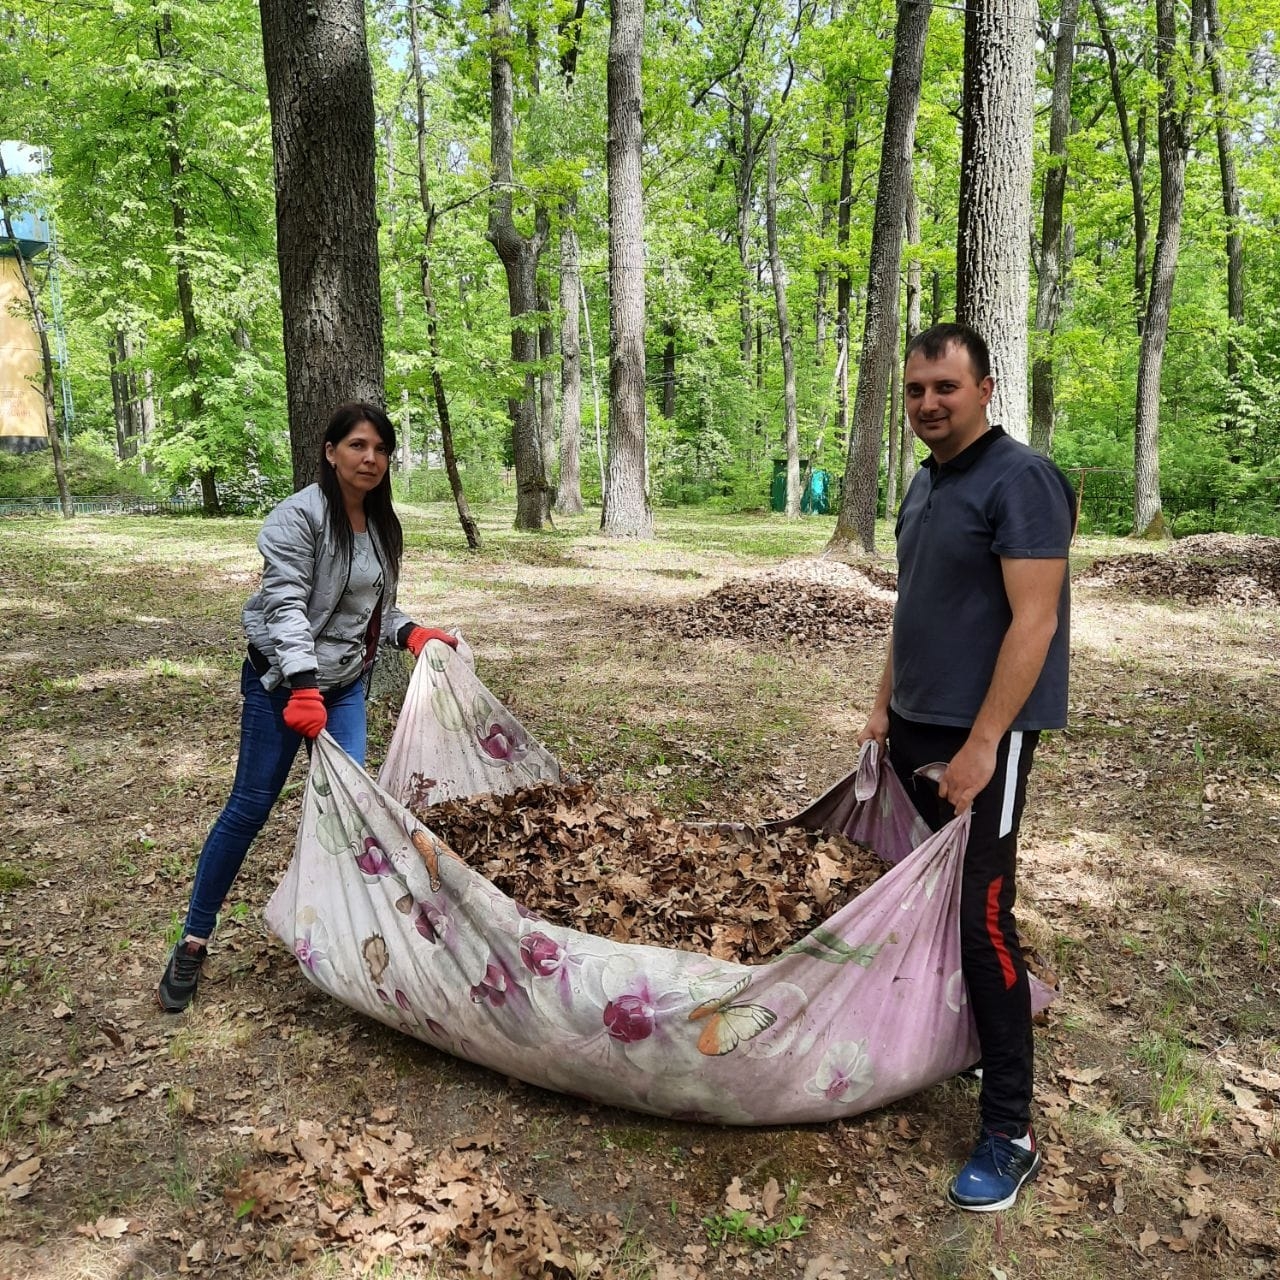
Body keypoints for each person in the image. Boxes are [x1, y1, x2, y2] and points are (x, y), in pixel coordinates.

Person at [858, 323, 1075, 1212]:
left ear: (986, 388)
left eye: (944, 387)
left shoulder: (1021, 479)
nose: (927, 404)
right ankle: (955, 1034)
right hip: (914, 723)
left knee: (983, 914)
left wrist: (986, 743)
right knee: (924, 899)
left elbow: (1036, 623)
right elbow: (917, 603)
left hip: (982, 737)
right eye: (915, 390)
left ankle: (1010, 1132)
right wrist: (882, 703)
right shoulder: (925, 480)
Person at [158, 402, 457, 1013]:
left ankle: (347, 938)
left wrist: (410, 632)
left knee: (349, 808)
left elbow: (370, 609)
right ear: (330, 451)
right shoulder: (298, 518)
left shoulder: (380, 523)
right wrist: (300, 684)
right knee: (250, 806)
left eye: (379, 448)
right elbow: (285, 605)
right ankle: (193, 939)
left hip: (346, 685)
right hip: (281, 687)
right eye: (356, 445)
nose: (369, 458)